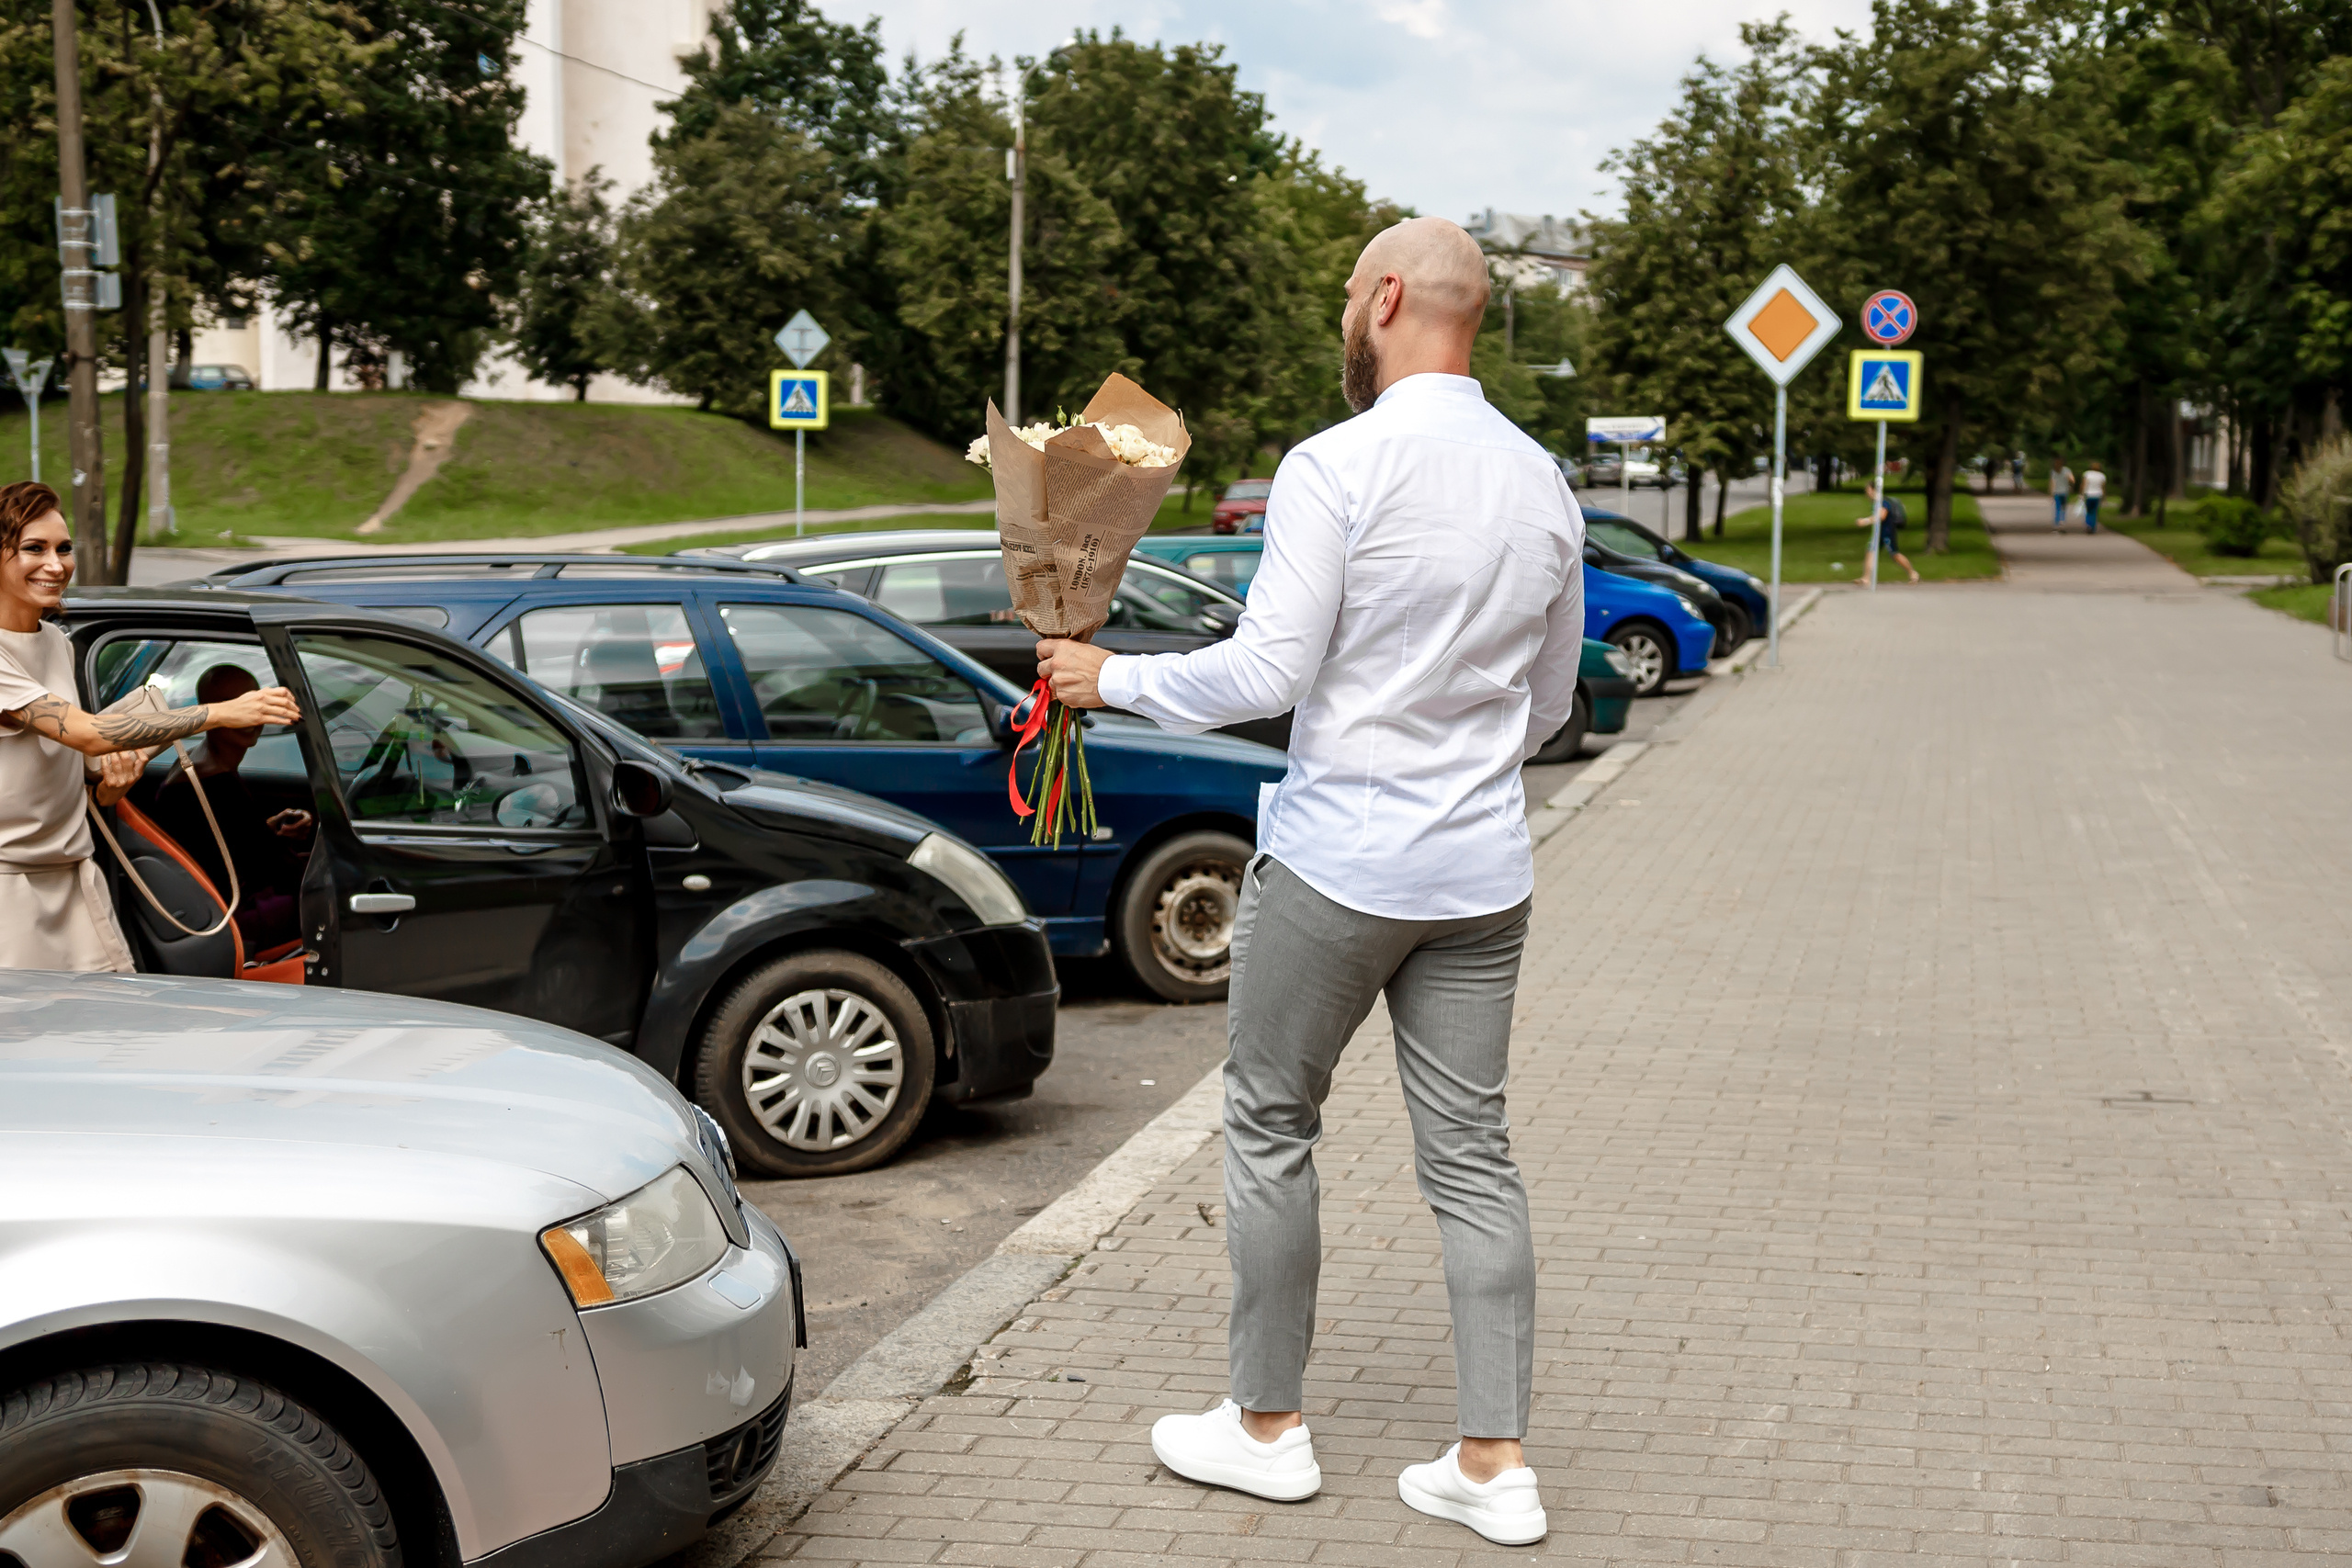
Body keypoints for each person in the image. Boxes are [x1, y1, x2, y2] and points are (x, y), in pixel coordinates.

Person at [1036, 217, 1580, 1548]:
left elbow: (1266, 673)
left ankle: (1266, 1428)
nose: (1347, 311)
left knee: (1272, 1123)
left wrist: (1114, 679)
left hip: (1341, 859)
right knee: (1474, 1155)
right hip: (1481, 871)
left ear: (1387, 298)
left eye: (1349, 292)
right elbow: (1555, 705)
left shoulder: (1337, 463)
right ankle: (1494, 1460)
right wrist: (1452, 756)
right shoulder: (1545, 482)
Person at [0, 480, 300, 973]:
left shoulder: (55, 641)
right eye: (34, 548)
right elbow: (88, 733)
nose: (56, 565)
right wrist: (222, 712)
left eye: (64, 548)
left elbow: (67, 763)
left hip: (75, 879)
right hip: (10, 894)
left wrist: (108, 787)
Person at [147, 662, 315, 953]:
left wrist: (271, 828)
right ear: (210, 711)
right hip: (225, 918)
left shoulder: (196, 761)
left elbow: (234, 843)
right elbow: (274, 868)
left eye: (251, 703)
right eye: (232, 706)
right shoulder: (214, 784)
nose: (249, 718)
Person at [1853, 480, 1921, 583]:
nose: (1866, 493)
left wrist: (1865, 521)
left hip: (1887, 532)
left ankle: (1913, 573)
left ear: (1873, 490)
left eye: (1867, 490)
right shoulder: (1877, 502)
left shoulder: (1883, 502)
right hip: (1878, 533)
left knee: (1895, 555)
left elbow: (1881, 516)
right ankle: (1866, 578)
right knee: (1870, 552)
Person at [2079, 459, 2106, 534]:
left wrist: (2081, 493)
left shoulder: (2087, 474)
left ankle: (2088, 525)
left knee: (2088, 511)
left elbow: (2084, 484)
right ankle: (2093, 527)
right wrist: (2104, 497)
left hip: (2089, 494)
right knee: (2094, 512)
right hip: (2098, 495)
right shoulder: (2102, 476)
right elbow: (2103, 487)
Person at [2051, 460, 2074, 531]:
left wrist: (2051, 493)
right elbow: (2072, 480)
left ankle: (2057, 524)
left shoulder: (2054, 471)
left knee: (2057, 508)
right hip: (2065, 492)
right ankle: (2062, 521)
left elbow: (2053, 483)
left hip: (2057, 492)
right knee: (2063, 508)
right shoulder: (2067, 470)